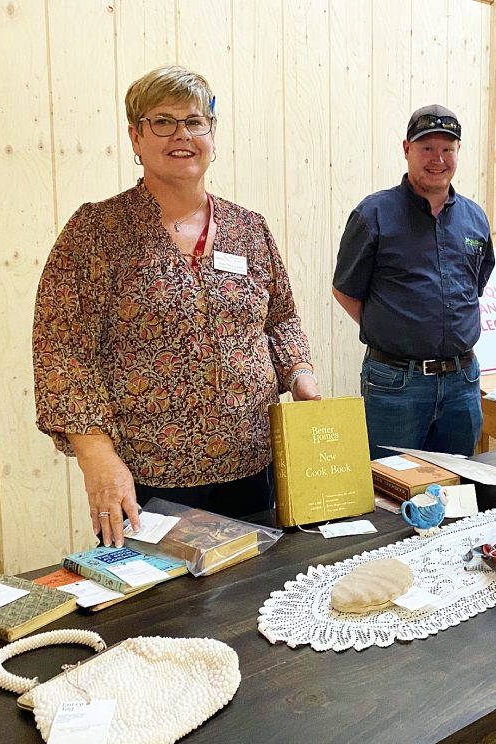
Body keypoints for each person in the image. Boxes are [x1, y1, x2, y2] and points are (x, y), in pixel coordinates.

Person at [33, 66, 319, 548]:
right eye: (163, 121)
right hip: (147, 477)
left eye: (194, 121)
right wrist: (96, 459)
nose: (181, 134)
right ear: (135, 137)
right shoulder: (96, 232)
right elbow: (62, 352)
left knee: (247, 604)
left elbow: (281, 319)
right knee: (160, 618)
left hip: (253, 465)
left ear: (212, 133)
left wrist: (302, 379)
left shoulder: (249, 228)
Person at [332, 105, 494, 460]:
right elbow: (344, 289)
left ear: (458, 152)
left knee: (458, 492)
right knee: (390, 497)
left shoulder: (475, 219)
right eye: (427, 148)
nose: (438, 159)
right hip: (395, 385)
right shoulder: (373, 214)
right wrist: (395, 330)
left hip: (462, 384)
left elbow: (474, 287)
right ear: (407, 149)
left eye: (447, 149)